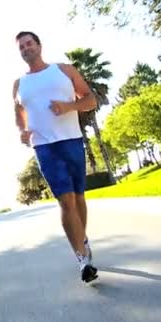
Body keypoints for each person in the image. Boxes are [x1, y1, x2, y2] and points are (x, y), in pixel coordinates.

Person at [12, 31, 99, 283]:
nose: (26, 48)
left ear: (39, 45)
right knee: (66, 201)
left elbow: (91, 99)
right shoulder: (18, 84)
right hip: (44, 146)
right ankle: (82, 259)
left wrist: (69, 107)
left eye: (29, 43)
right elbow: (19, 114)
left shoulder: (64, 70)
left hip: (71, 139)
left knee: (79, 197)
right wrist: (21, 131)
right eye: (21, 47)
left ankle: (82, 240)